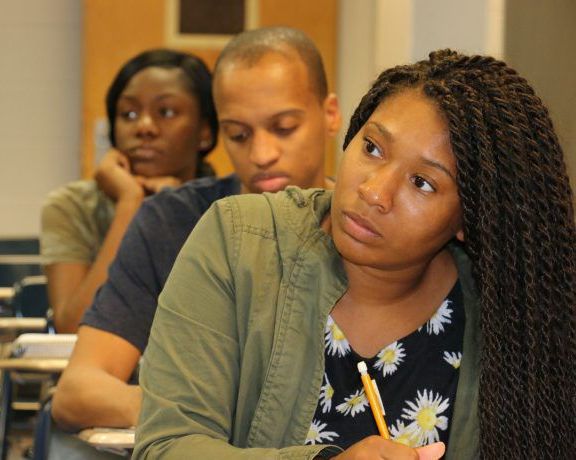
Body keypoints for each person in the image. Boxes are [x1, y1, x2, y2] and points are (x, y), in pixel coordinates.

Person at [133, 49, 576, 459]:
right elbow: (168, 446)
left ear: (468, 218)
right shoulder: (241, 242)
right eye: (373, 148)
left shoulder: (509, 312)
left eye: (422, 182)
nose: (373, 191)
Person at [50, 26, 341, 434]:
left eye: (284, 128)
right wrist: (208, 415)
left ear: (330, 114)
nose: (262, 154)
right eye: (238, 134)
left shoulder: (366, 221)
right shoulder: (171, 223)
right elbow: (78, 391)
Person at [40, 49, 218, 333]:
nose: (144, 127)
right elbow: (74, 326)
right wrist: (130, 204)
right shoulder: (71, 205)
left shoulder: (228, 204)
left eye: (167, 112)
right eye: (129, 113)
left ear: (205, 131)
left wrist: (174, 210)